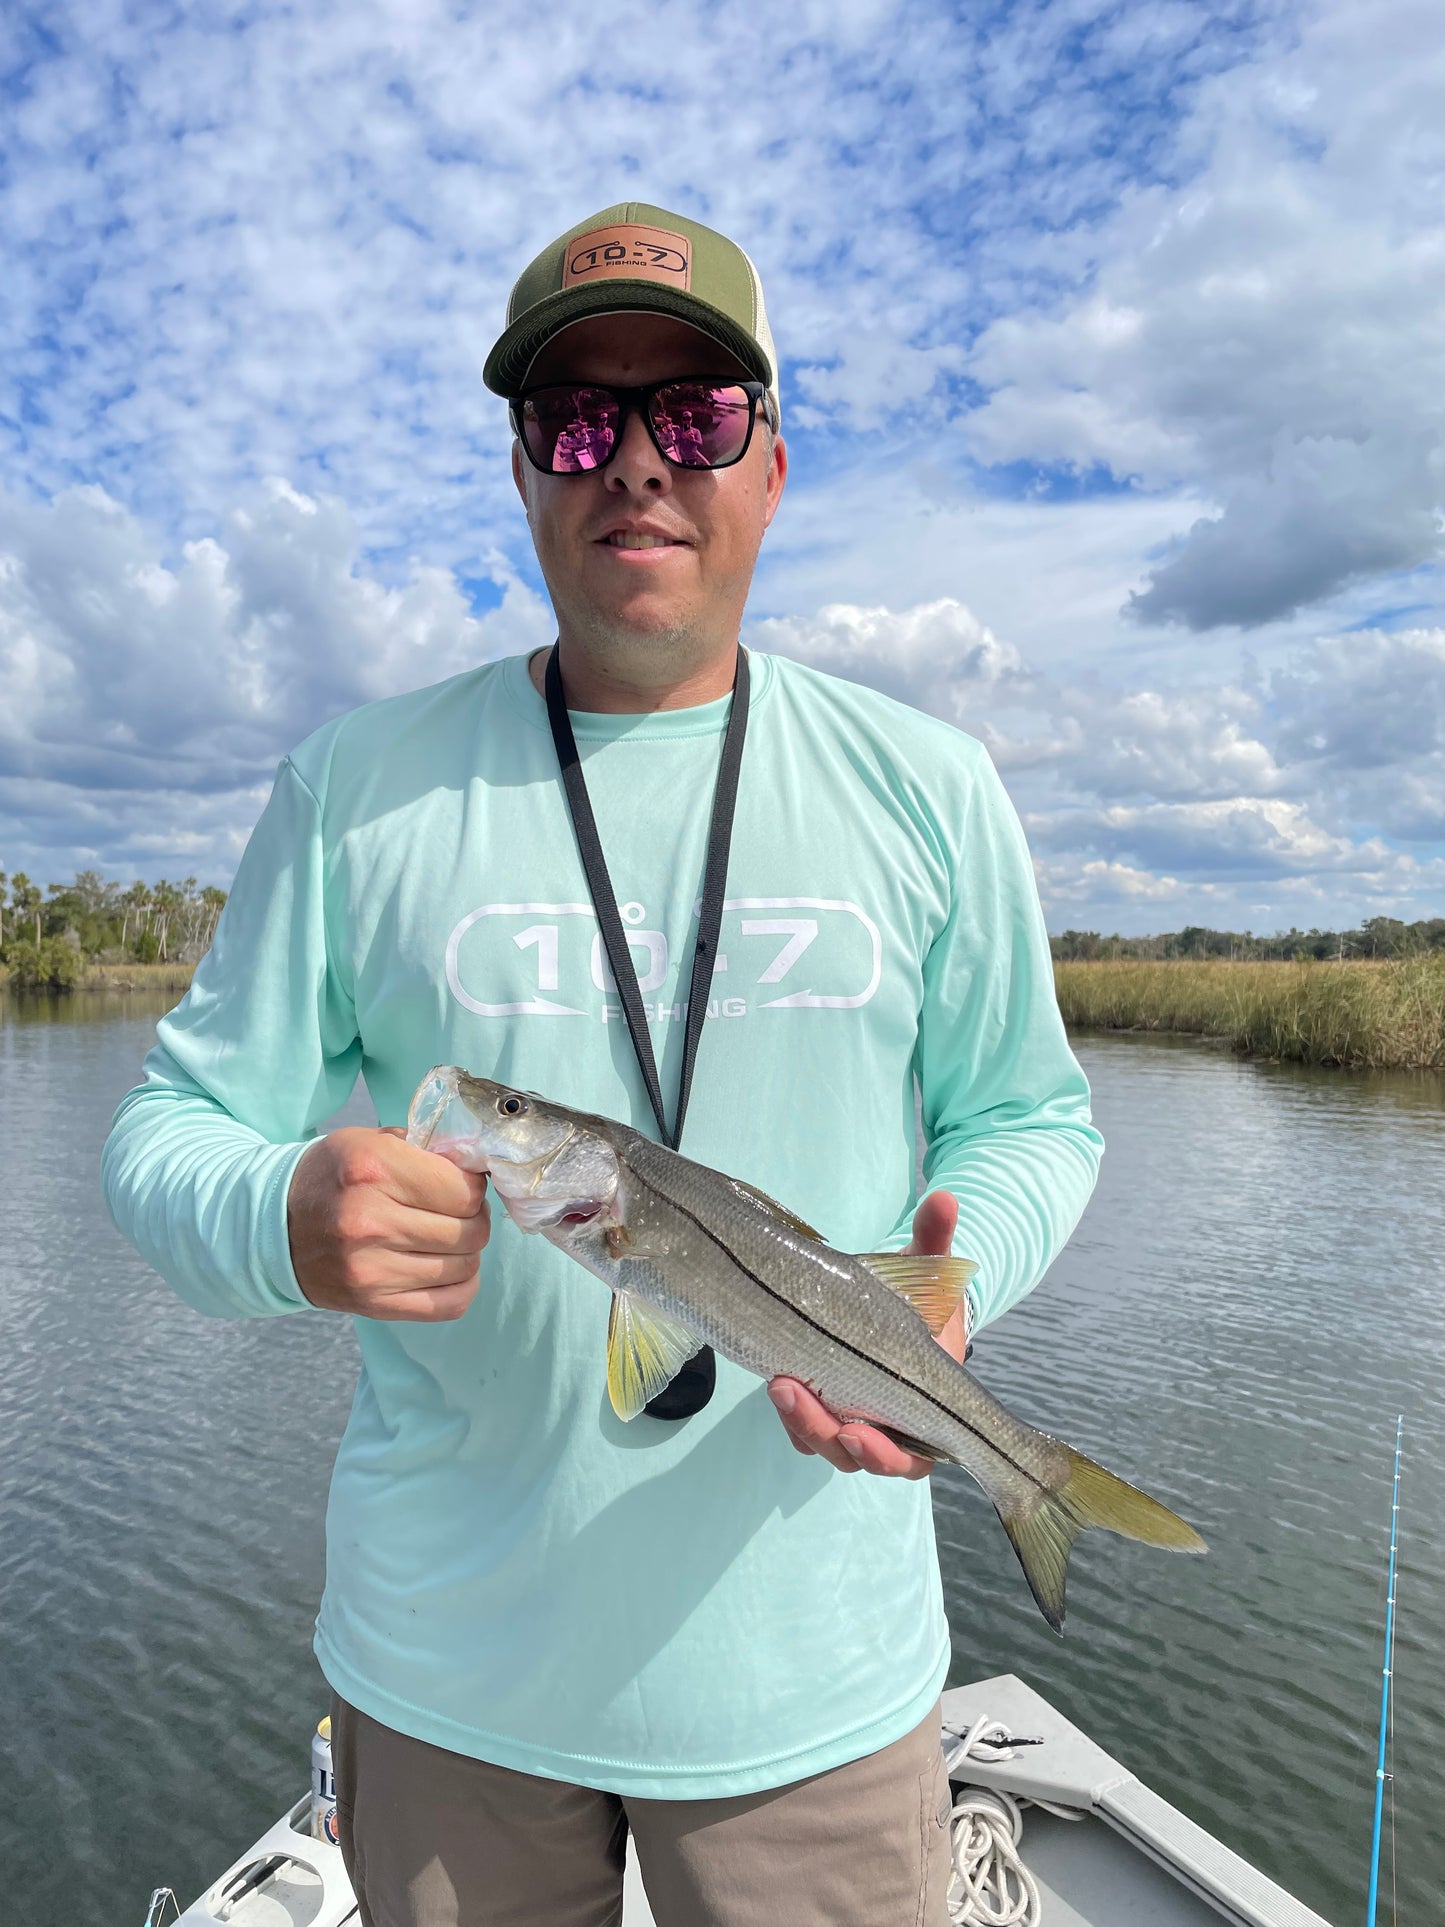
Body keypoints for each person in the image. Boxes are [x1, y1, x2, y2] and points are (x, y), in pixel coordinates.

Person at [102, 201, 1102, 1927]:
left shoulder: (928, 786)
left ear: (769, 468)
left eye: (693, 414)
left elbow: (1030, 1116)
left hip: (818, 1692)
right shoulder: (358, 786)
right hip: (443, 1689)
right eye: (577, 419)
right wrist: (278, 1217)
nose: (632, 462)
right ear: (520, 472)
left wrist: (950, 1283)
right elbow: (168, 1128)